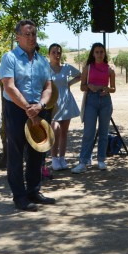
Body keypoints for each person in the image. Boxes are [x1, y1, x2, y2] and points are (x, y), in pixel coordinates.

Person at [0, 19, 55, 212]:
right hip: (16, 109)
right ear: (18, 37)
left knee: (38, 152)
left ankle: (33, 191)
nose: (31, 38)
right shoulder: (10, 58)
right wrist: (27, 108)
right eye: (27, 34)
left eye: (34, 34)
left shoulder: (42, 60)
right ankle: (20, 197)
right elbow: (9, 86)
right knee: (16, 153)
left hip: (39, 109)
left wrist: (40, 106)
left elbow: (48, 87)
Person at [71, 43, 116, 173]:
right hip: (91, 100)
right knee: (88, 132)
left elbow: (113, 89)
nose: (99, 54)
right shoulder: (88, 68)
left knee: (104, 132)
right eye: (97, 52)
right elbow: (82, 87)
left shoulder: (109, 69)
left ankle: (101, 160)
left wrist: (108, 89)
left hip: (105, 101)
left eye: (101, 52)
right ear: (93, 54)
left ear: (104, 54)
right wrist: (89, 86)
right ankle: (83, 162)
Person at [48, 43, 81, 171]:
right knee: (54, 130)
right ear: (49, 54)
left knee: (64, 132)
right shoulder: (46, 68)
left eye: (59, 52)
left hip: (66, 101)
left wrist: (70, 83)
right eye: (54, 52)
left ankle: (62, 158)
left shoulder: (66, 67)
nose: (57, 55)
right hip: (52, 102)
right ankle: (54, 159)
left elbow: (80, 75)